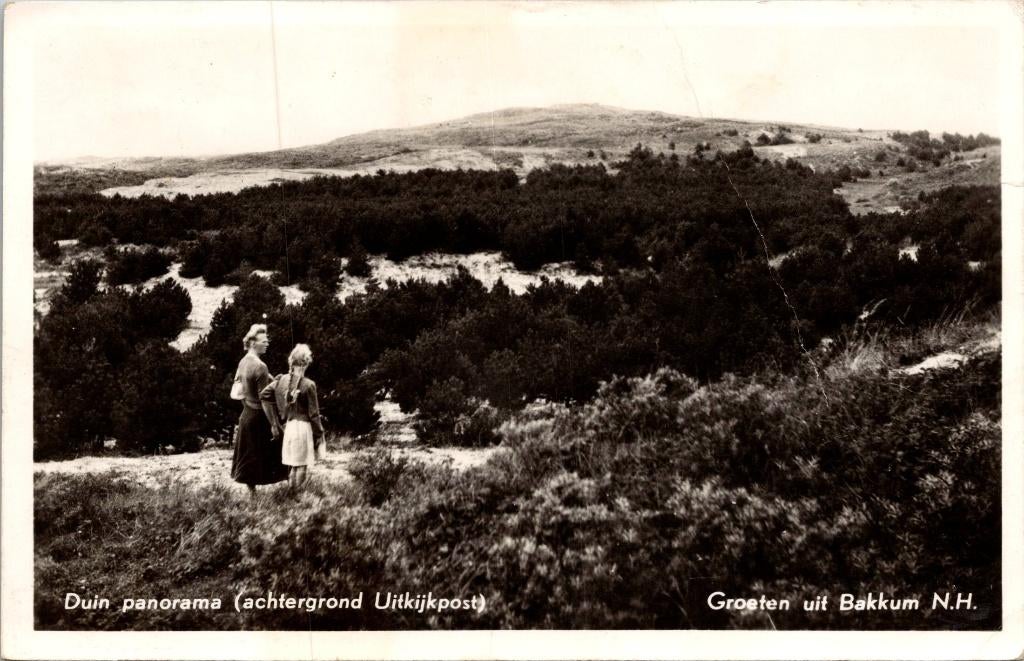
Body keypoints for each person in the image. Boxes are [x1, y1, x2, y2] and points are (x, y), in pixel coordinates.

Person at [230, 323, 288, 495]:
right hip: (260, 415)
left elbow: (239, 391)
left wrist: (247, 408)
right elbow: (265, 399)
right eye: (264, 341)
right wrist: (274, 424)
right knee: (284, 447)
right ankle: (291, 489)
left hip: (247, 414)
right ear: (253, 343)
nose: (267, 343)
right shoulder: (261, 366)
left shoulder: (243, 362)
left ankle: (253, 495)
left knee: (249, 455)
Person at [261, 343, 325, 491]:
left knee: (293, 465)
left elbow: (264, 395)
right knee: (301, 465)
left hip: (289, 427)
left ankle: (291, 494)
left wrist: (278, 411)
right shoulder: (309, 385)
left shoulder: (281, 380)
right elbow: (314, 414)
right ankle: (298, 494)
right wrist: (319, 433)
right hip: (303, 428)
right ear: (305, 363)